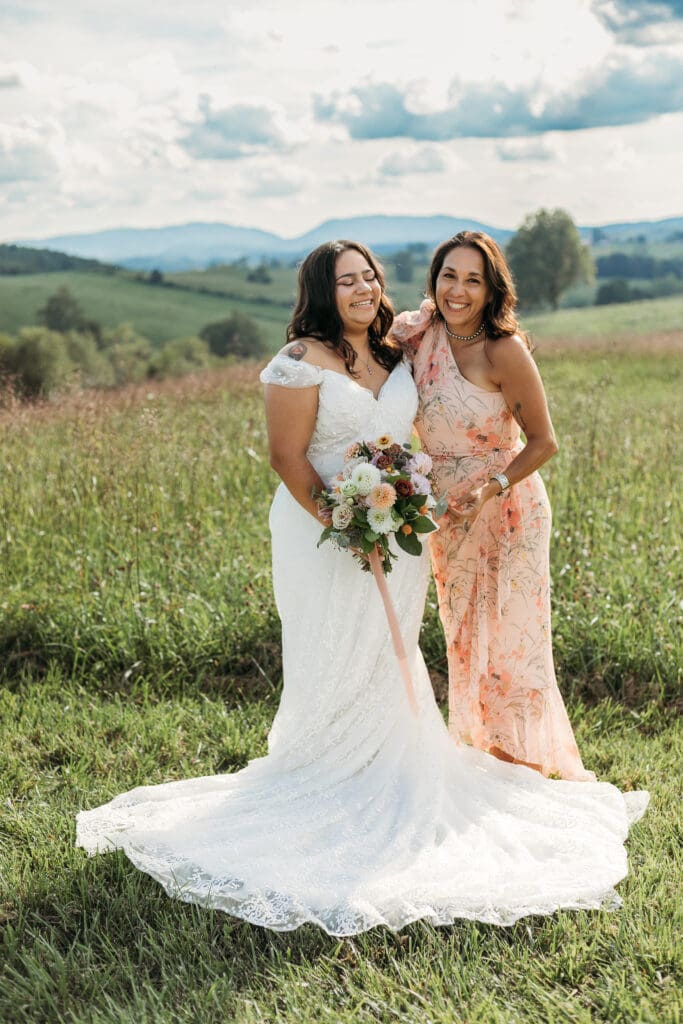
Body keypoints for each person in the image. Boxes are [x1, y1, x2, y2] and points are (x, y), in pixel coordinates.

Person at [76, 240, 647, 936]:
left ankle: (402, 756)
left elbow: (471, 419)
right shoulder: (305, 359)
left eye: (369, 276)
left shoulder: (395, 347)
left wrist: (389, 515)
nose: (362, 288)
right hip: (327, 527)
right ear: (322, 290)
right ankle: (328, 763)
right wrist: (345, 524)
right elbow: (287, 457)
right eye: (346, 280)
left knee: (393, 647)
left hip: (401, 526)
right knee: (332, 644)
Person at [390, 231, 593, 780]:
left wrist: (491, 488)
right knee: (463, 638)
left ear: (490, 288)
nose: (458, 290)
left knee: (511, 643)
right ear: (434, 281)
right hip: (446, 516)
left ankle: (522, 767)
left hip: (508, 508)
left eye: (472, 279)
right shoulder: (416, 335)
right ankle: (482, 761)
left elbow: (544, 441)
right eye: (449, 276)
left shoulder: (505, 349)